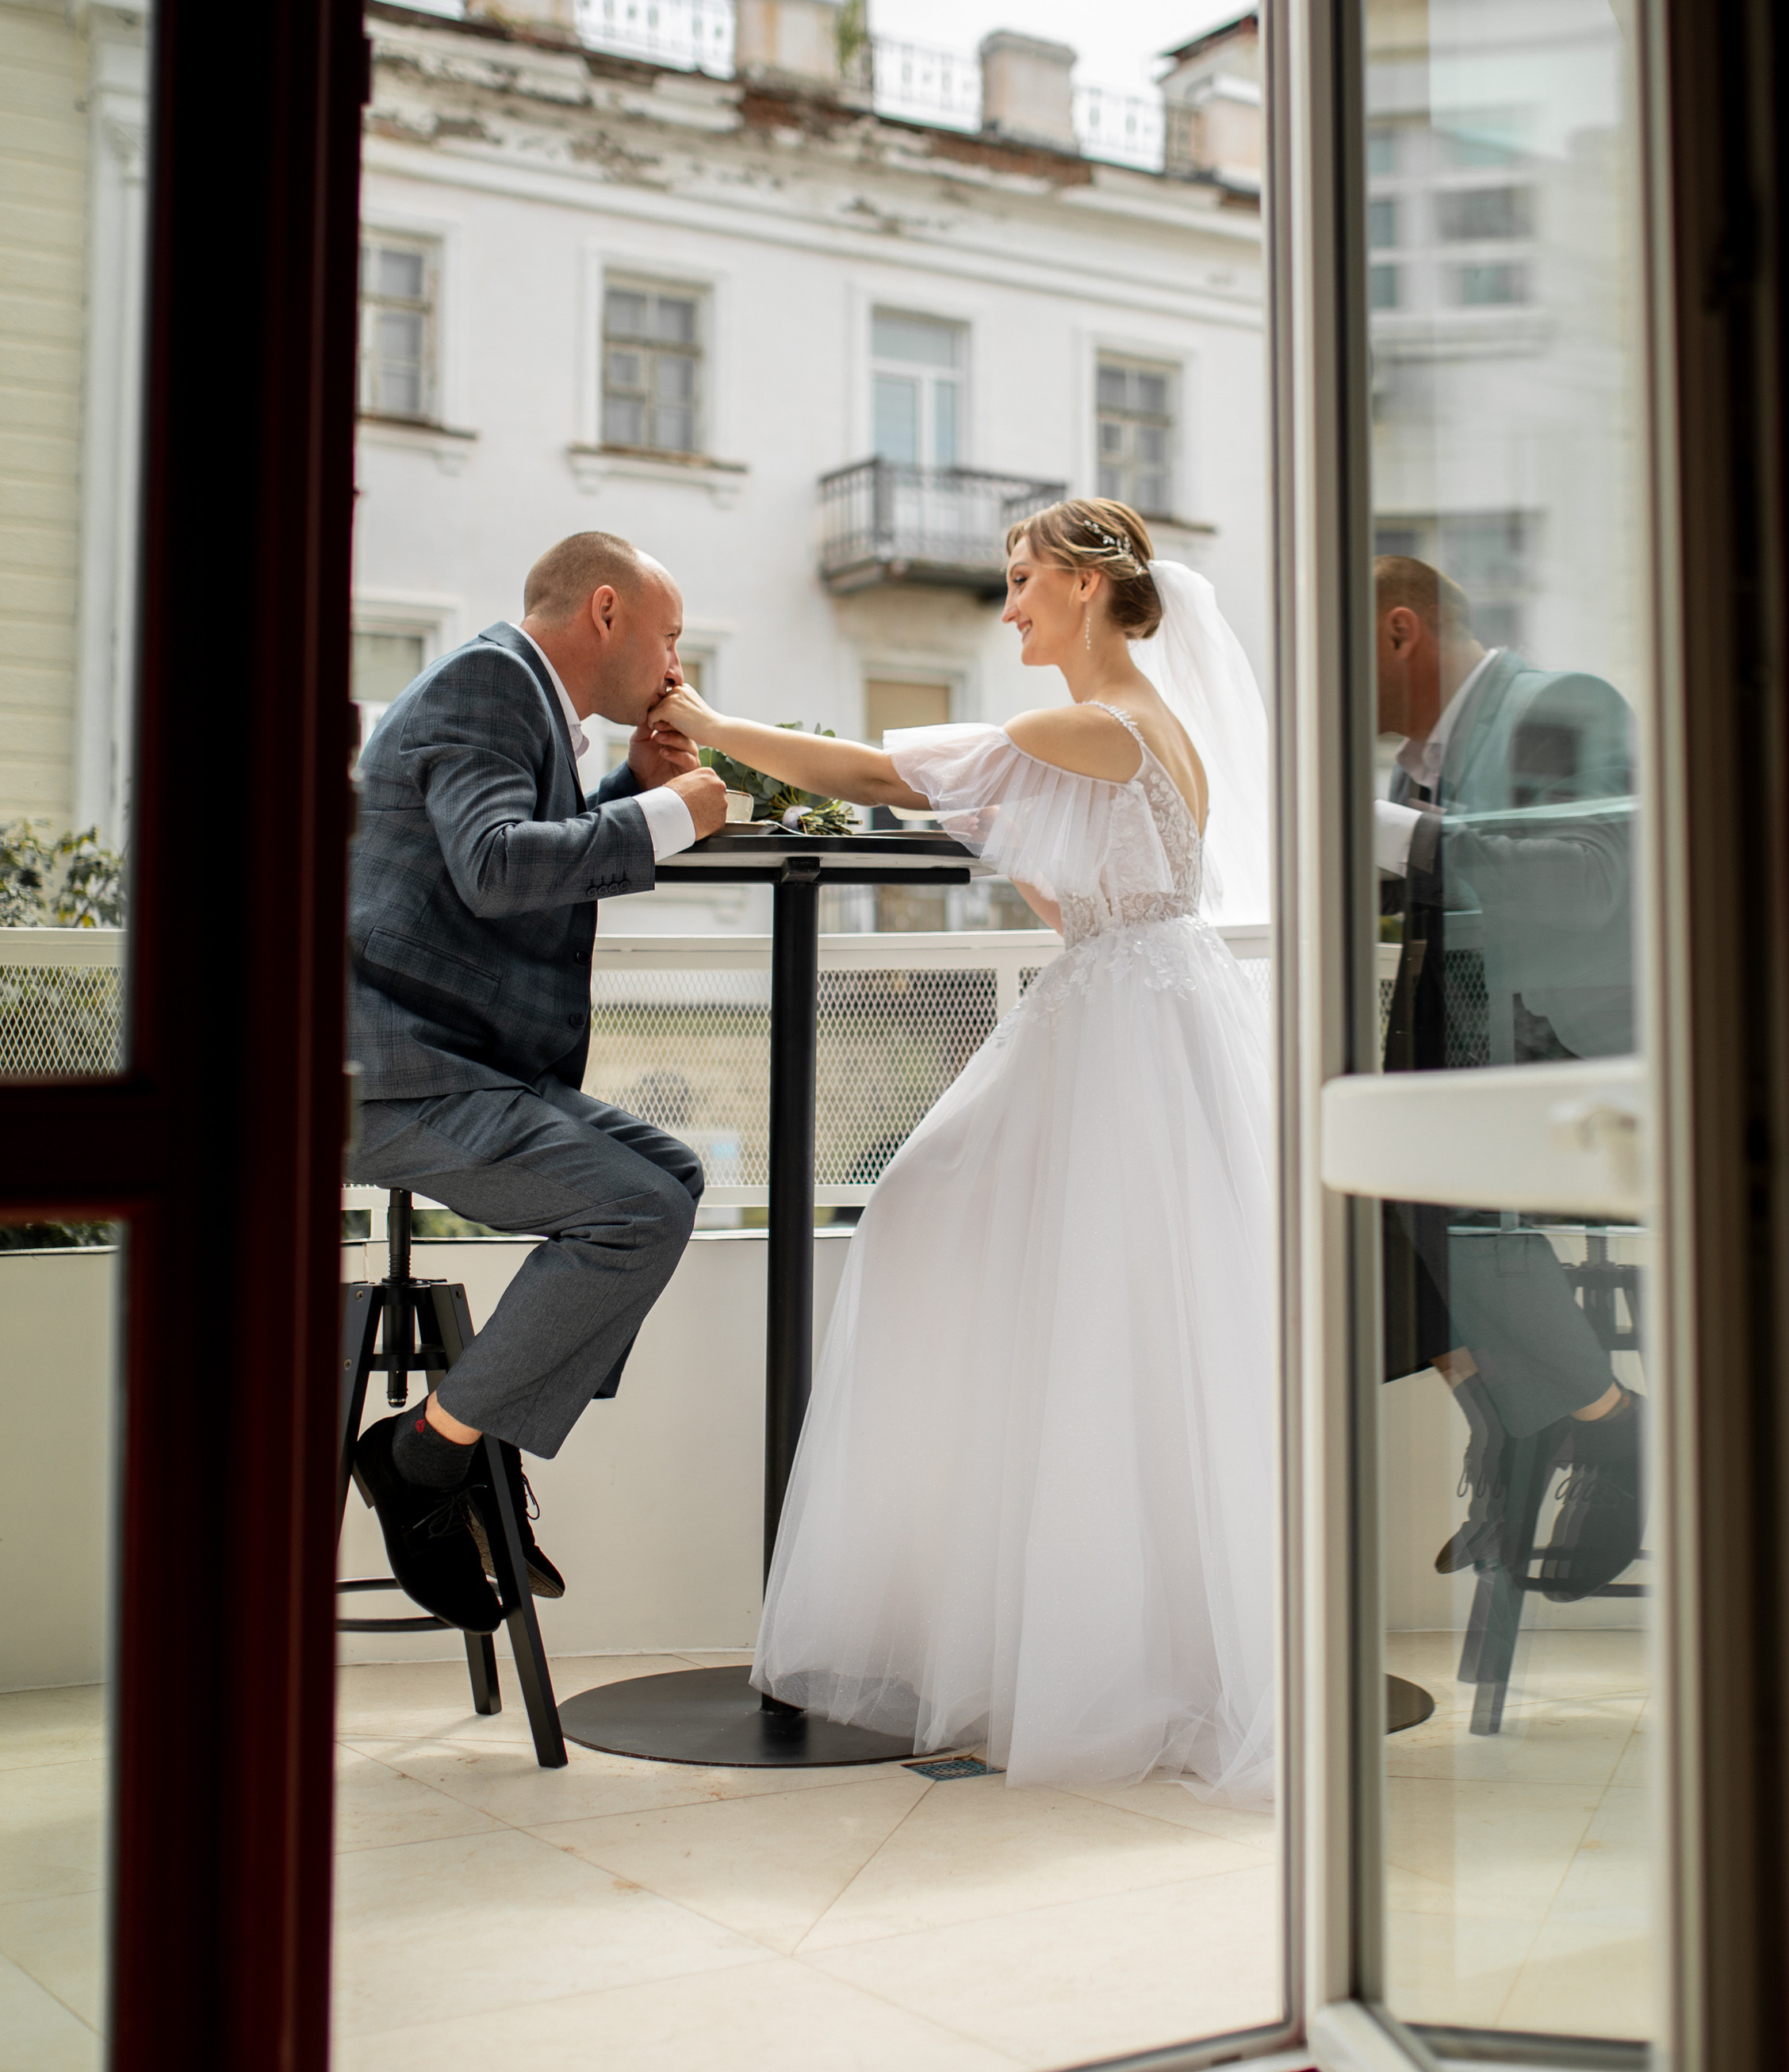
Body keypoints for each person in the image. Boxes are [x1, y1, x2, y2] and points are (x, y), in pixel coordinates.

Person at [652, 499, 1277, 1802]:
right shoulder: (1135, 729)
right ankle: (1080, 1634)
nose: (1009, 605)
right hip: (1145, 1008)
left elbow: (884, 777)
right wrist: (988, 815)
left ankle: (1080, 1656)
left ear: (1089, 586)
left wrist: (710, 724)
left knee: (995, 1253)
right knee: (1091, 1300)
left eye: (1023, 578)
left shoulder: (1093, 725)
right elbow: (1066, 880)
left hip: (1120, 1026)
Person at [347, 530, 727, 1632]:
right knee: (637, 1209)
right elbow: (499, 865)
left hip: (451, 1059)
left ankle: (471, 1437)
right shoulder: (487, 681)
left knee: (671, 1175)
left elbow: (511, 843)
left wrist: (628, 786)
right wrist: (672, 816)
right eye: (669, 637)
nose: (675, 666)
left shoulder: (523, 699)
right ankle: (424, 1456)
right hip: (392, 1071)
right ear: (605, 612)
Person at [1371, 555, 1645, 1601]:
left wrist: (1401, 838)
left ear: (1401, 632)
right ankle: (1551, 1418)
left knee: (1409, 1182)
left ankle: (1583, 1426)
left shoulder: (1558, 706)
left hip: (1587, 1068)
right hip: (1477, 1069)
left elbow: (1587, 883)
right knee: (1327, 1180)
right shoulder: (1415, 769)